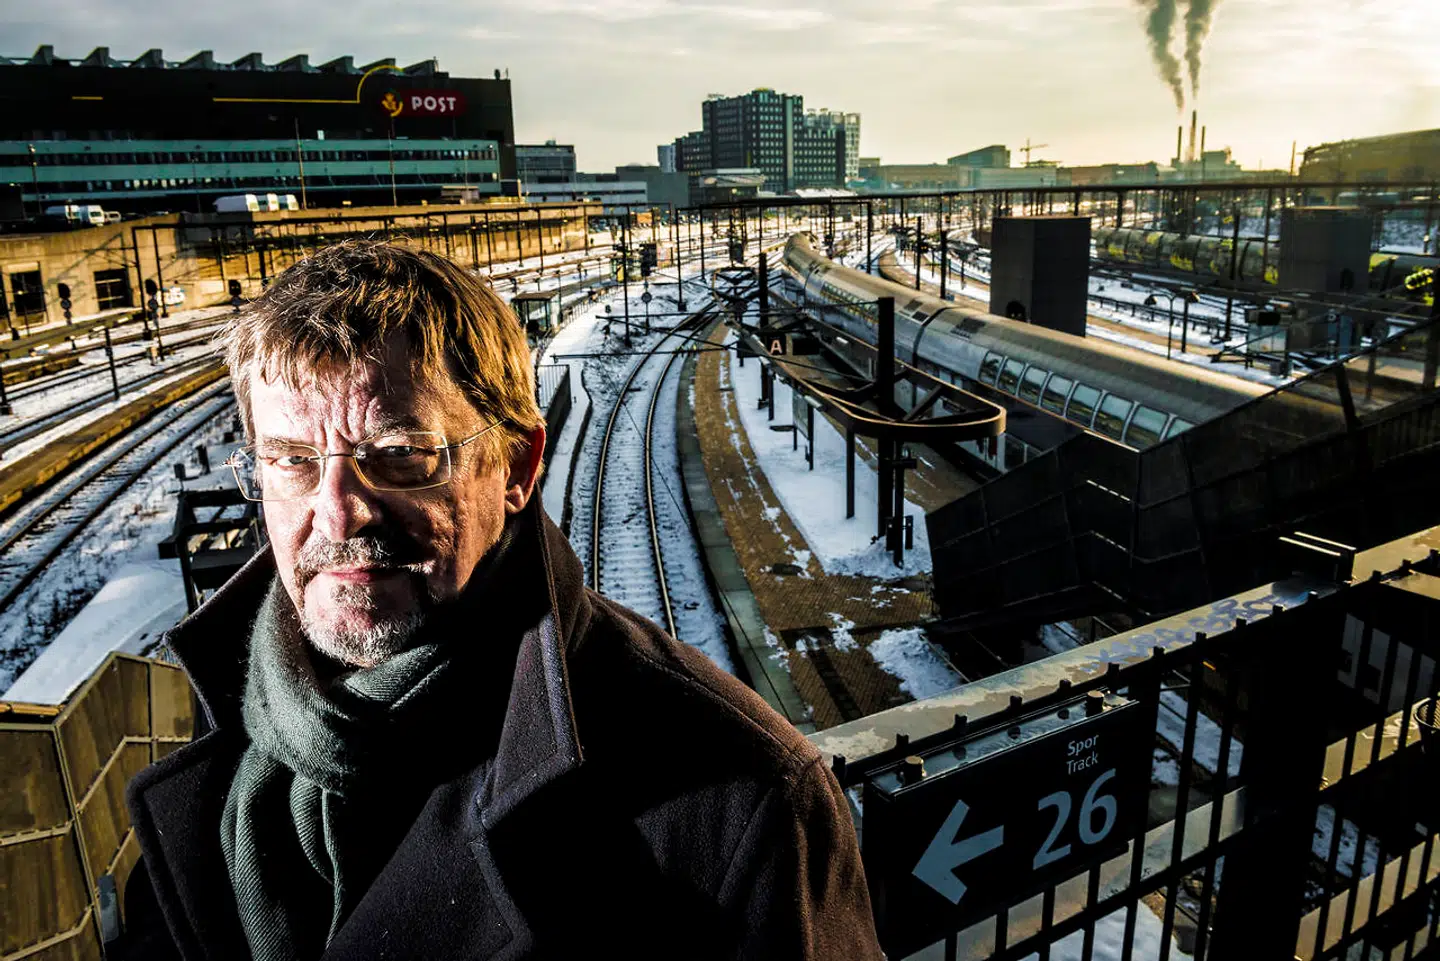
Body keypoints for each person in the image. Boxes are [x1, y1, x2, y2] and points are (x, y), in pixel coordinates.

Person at [119, 241, 883, 960]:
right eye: (291, 460)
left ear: (516, 465)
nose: (339, 511)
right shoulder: (220, 739)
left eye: (400, 455)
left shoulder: (744, 799)